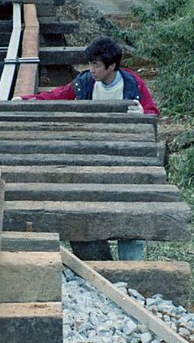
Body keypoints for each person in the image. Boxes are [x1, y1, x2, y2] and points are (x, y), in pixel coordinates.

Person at [21, 37, 160, 261]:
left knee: (131, 214)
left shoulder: (133, 84)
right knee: (89, 209)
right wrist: (27, 100)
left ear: (112, 66)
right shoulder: (85, 82)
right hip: (92, 157)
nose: (92, 69)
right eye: (90, 64)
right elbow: (59, 95)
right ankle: (98, 262)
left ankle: (131, 267)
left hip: (127, 159)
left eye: (96, 65)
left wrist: (143, 115)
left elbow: (153, 113)